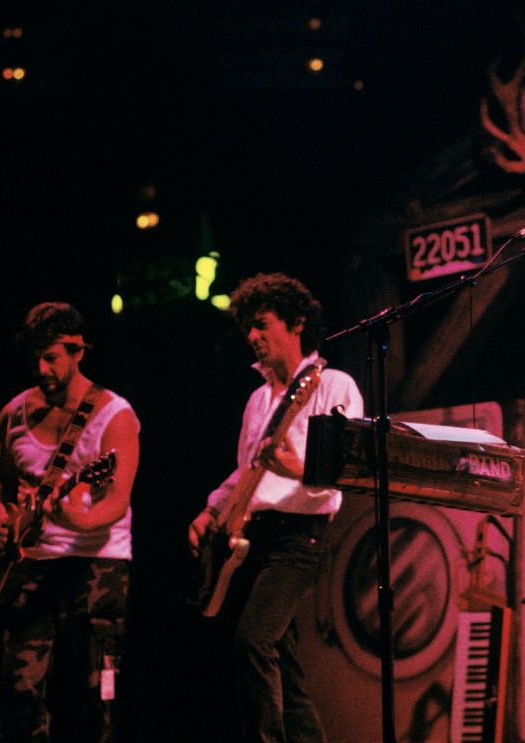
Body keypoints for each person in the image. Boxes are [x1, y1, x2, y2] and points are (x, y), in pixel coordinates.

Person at [188, 272, 363, 742]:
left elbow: (342, 472)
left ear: (297, 322)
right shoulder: (257, 399)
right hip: (255, 536)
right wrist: (211, 510)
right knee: (281, 662)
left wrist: (293, 467)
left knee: (253, 640)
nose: (252, 336)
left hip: (301, 535)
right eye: (248, 327)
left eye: (262, 324)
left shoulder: (333, 386)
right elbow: (245, 471)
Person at [0, 301, 141, 743]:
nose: (41, 369)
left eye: (51, 357)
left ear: (78, 351)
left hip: (97, 563)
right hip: (29, 564)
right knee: (19, 689)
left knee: (94, 695)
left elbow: (116, 503)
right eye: (34, 357)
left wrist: (76, 518)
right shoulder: (14, 412)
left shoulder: (115, 415)